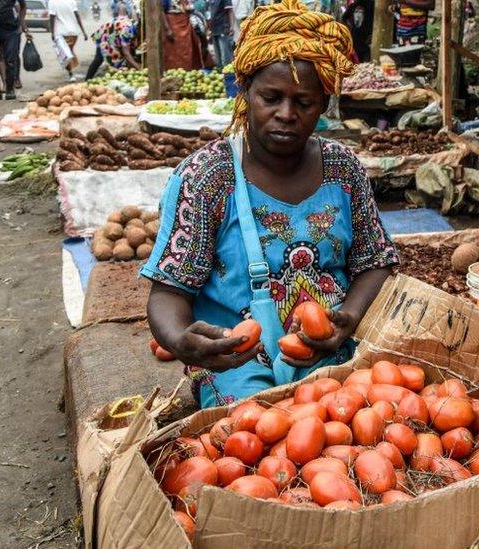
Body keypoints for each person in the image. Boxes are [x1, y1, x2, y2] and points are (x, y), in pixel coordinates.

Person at [141, 0, 399, 408]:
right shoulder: (208, 176)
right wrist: (181, 341)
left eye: (304, 102)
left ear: (323, 105)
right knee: (263, 439)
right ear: (245, 93)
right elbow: (168, 291)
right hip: (236, 363)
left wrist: (346, 319)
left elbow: (375, 262)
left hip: (332, 354)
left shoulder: (343, 169)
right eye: (271, 97)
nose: (286, 114)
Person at [0, 0, 28, 99]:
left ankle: (10, 90)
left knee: (11, 60)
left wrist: (22, 23)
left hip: (12, 31)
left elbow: (23, 5)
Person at [84, 14, 138, 79]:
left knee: (115, 59)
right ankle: (87, 80)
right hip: (105, 35)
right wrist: (139, 68)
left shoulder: (135, 25)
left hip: (113, 34)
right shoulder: (128, 30)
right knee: (100, 58)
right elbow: (126, 54)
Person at [48, 0, 89, 81]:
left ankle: (71, 74)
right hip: (73, 32)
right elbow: (77, 15)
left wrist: (52, 33)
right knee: (68, 53)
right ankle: (71, 71)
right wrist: (83, 31)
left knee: (66, 55)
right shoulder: (72, 1)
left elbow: (52, 17)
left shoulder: (52, 2)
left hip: (61, 32)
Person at [161, 0, 205, 69]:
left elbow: (187, 8)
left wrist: (188, 9)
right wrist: (168, 29)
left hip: (185, 24)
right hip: (173, 24)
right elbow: (162, 11)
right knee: (174, 52)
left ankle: (189, 70)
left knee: (188, 50)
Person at [206, 0, 233, 66]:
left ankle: (228, 73)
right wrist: (209, 29)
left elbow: (230, 11)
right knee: (217, 55)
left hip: (223, 28)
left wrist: (231, 26)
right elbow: (209, 15)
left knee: (225, 55)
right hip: (214, 29)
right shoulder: (210, 1)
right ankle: (220, 71)